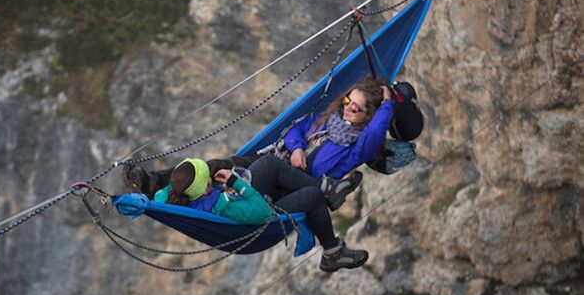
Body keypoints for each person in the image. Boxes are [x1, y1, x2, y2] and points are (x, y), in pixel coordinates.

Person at [126, 75, 393, 209]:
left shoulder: (358, 146)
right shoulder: (328, 121)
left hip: (290, 182)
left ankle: (177, 204)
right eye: (347, 101)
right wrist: (298, 147)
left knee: (226, 181)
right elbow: (294, 129)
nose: (347, 108)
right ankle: (155, 183)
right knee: (220, 164)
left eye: (356, 108)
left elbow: (376, 132)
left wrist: (387, 103)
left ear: (369, 116)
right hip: (277, 156)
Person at [155, 155, 369, 272]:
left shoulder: (173, 197)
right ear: (204, 189)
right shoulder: (222, 204)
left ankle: (329, 190)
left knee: (269, 164)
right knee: (313, 196)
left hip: (242, 204)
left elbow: (161, 195)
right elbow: (263, 212)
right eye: (207, 177)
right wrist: (233, 182)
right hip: (258, 223)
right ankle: (333, 253)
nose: (210, 176)